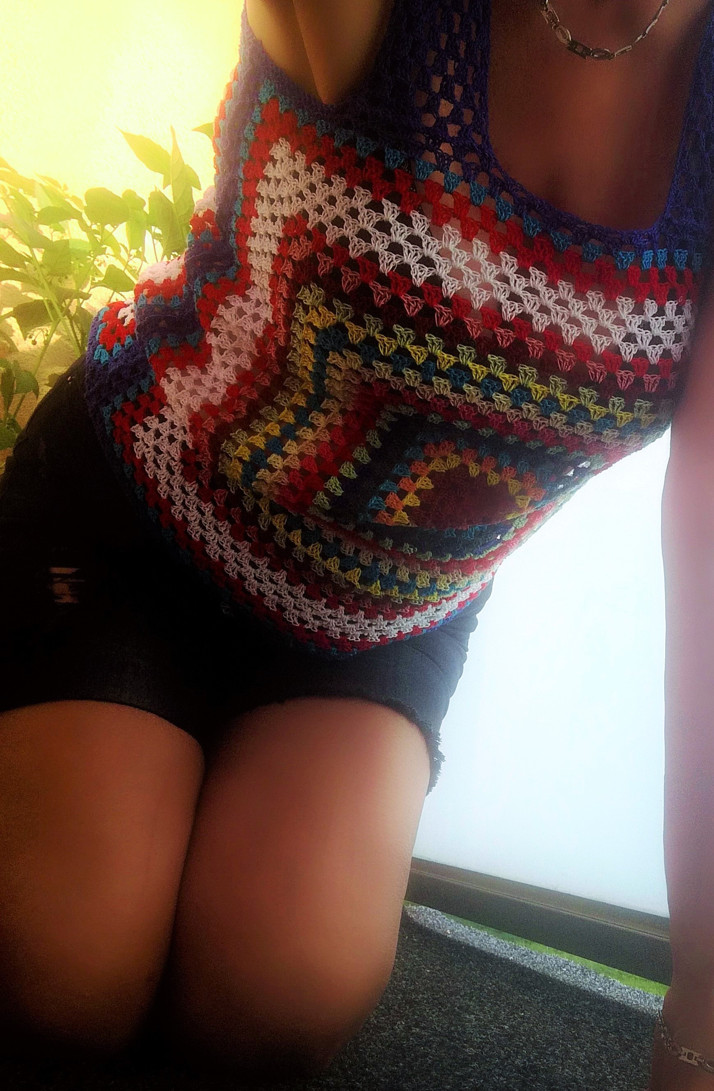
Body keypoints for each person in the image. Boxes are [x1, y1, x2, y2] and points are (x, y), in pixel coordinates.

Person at [0, 0, 712, 1086]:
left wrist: (701, 992)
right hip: (136, 513)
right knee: (61, 965)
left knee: (279, 992)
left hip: (379, 621)